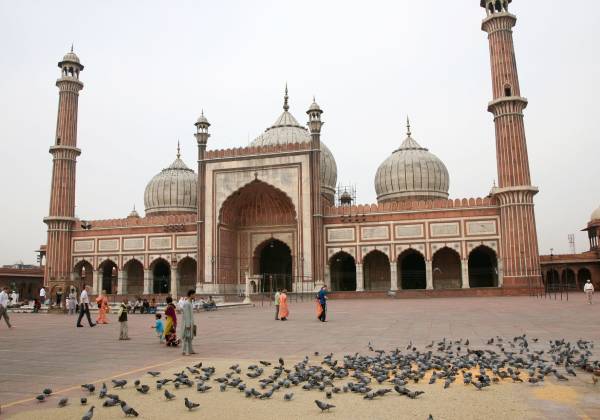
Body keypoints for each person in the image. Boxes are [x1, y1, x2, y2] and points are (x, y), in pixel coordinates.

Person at [181, 289, 196, 356]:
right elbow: (186, 315)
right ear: (191, 294)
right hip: (187, 323)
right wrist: (187, 325)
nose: (195, 295)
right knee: (186, 337)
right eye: (194, 294)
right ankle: (185, 351)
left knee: (190, 337)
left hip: (190, 322)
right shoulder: (187, 303)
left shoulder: (190, 302)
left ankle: (190, 350)